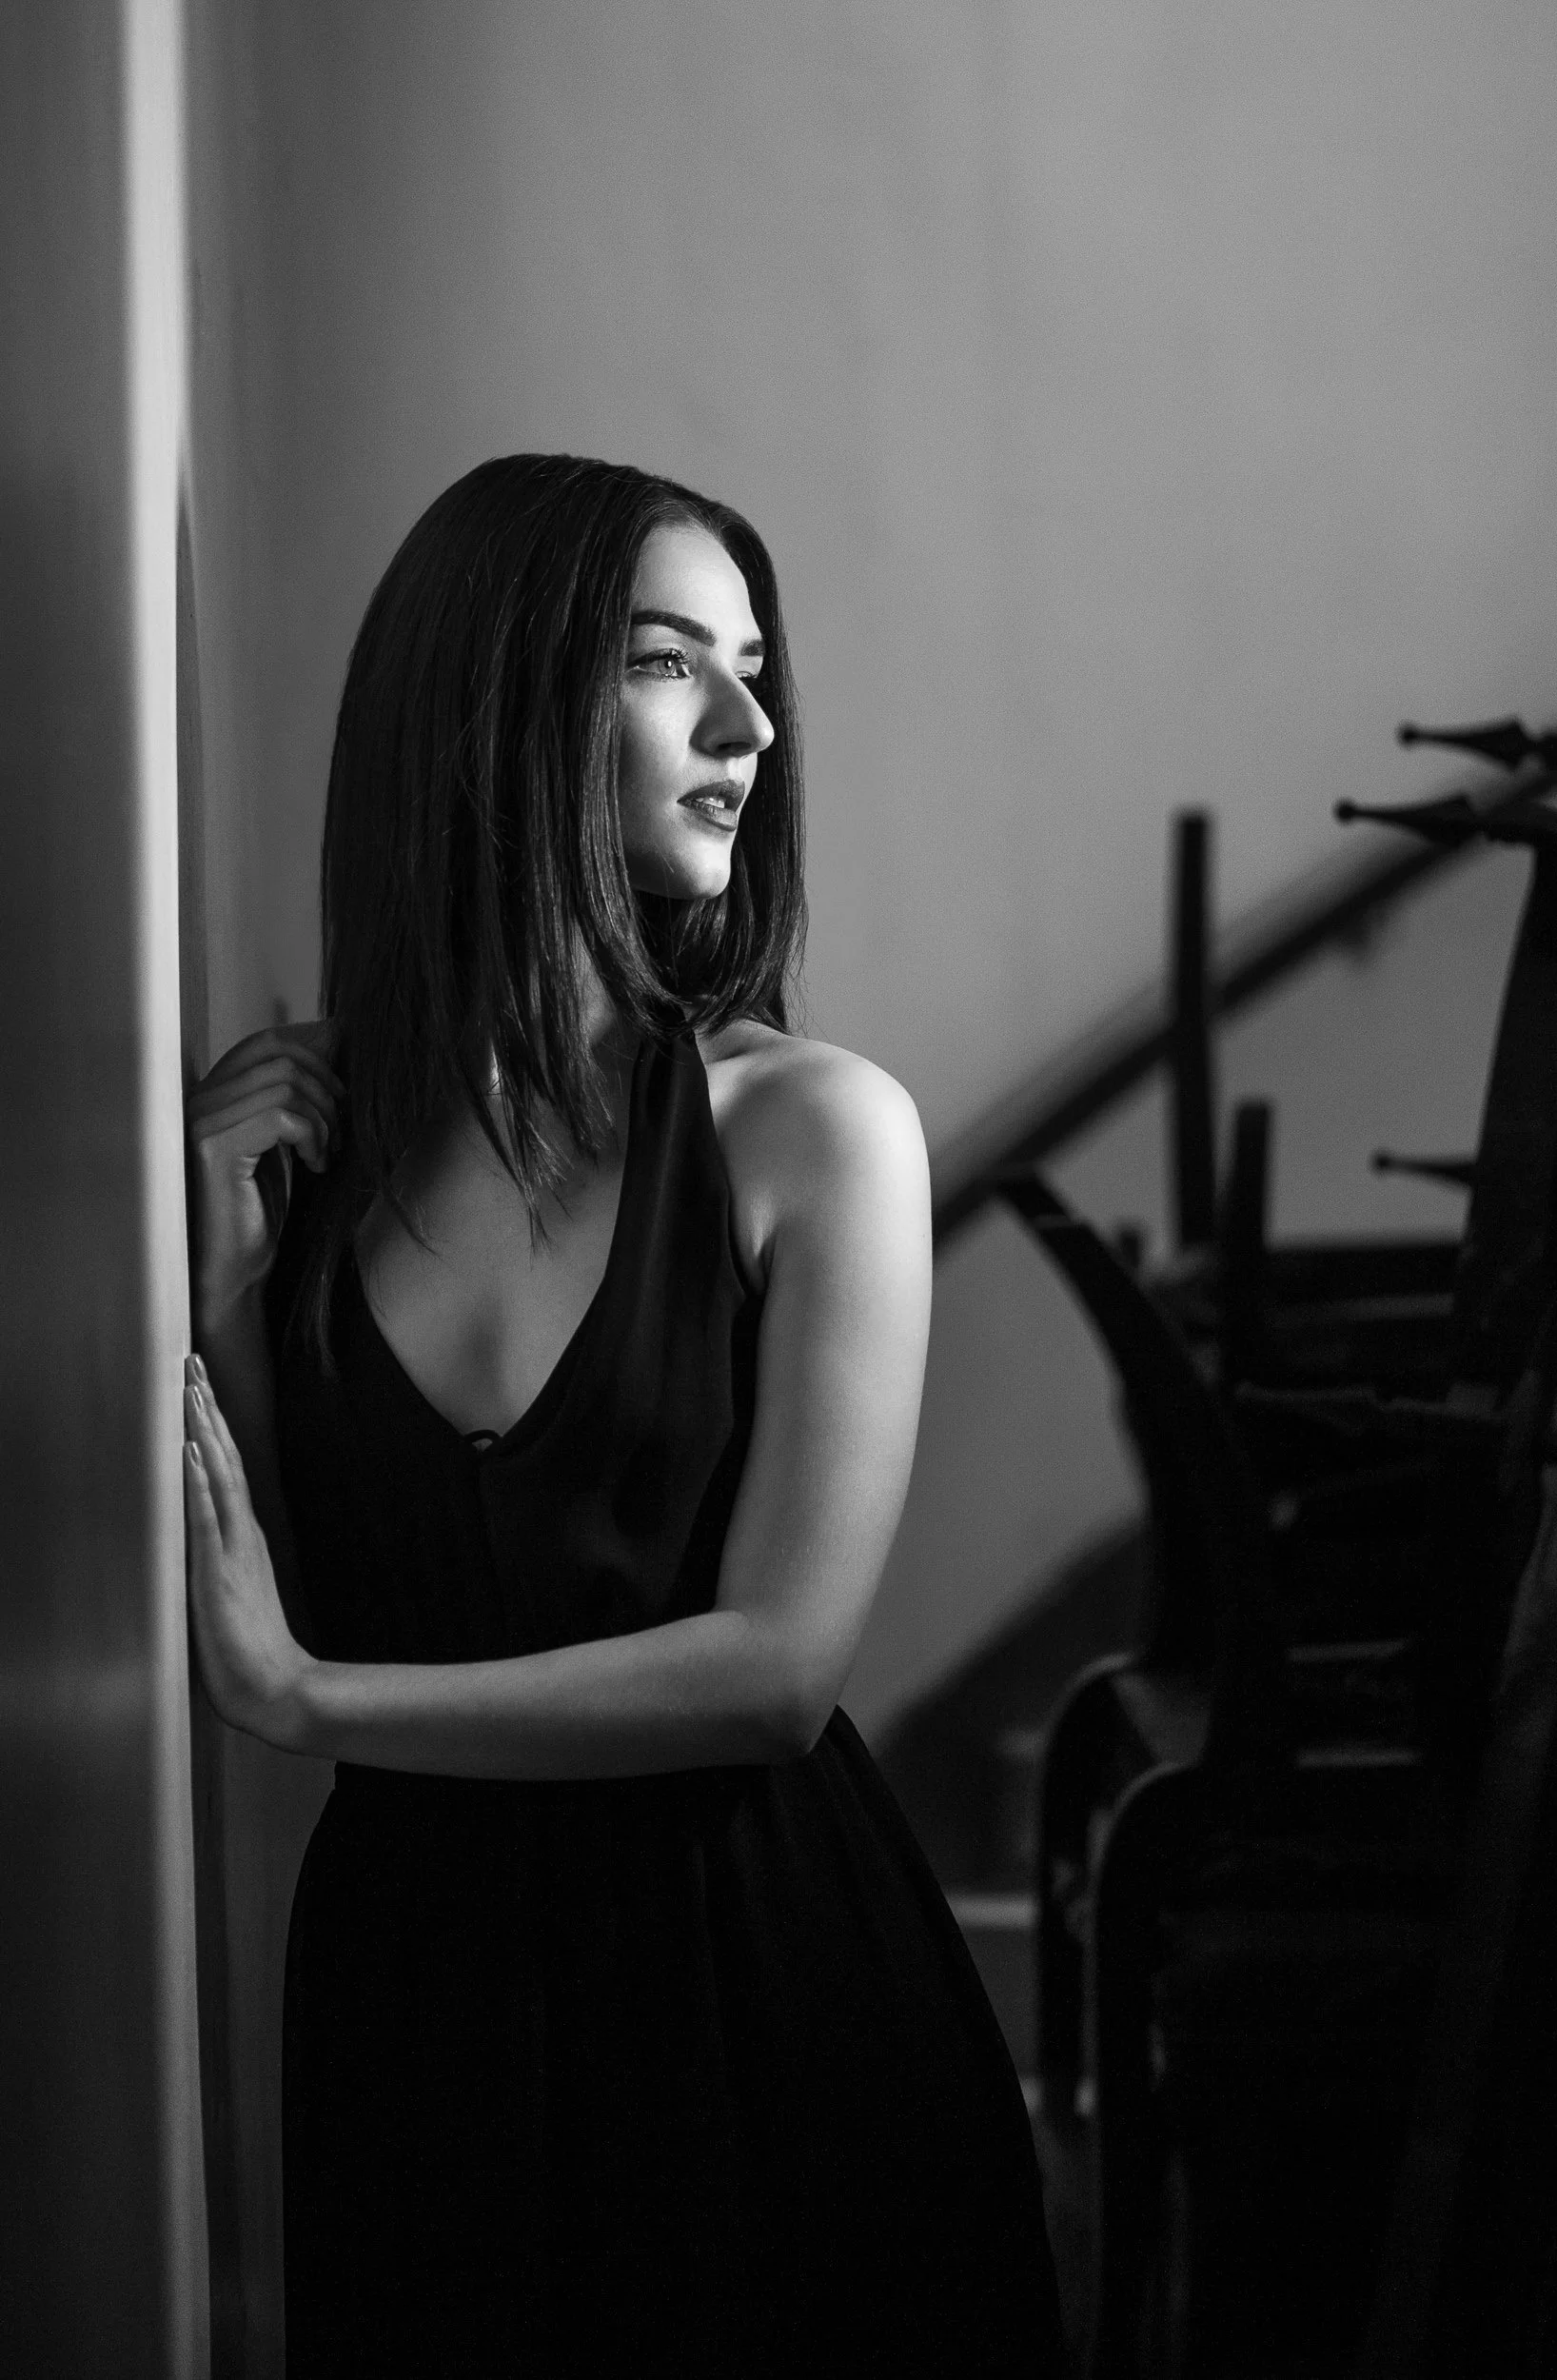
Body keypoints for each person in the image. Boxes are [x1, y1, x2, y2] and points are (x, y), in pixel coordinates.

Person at [183, 454, 1068, 2376]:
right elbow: (297, 1577)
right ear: (500, 701)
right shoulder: (299, 1165)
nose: (751, 725)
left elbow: (775, 1670)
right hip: (415, 2013)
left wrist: (312, 1709)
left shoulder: (814, 1130)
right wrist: (220, 1286)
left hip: (762, 1993)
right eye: (674, 663)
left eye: (753, 667)